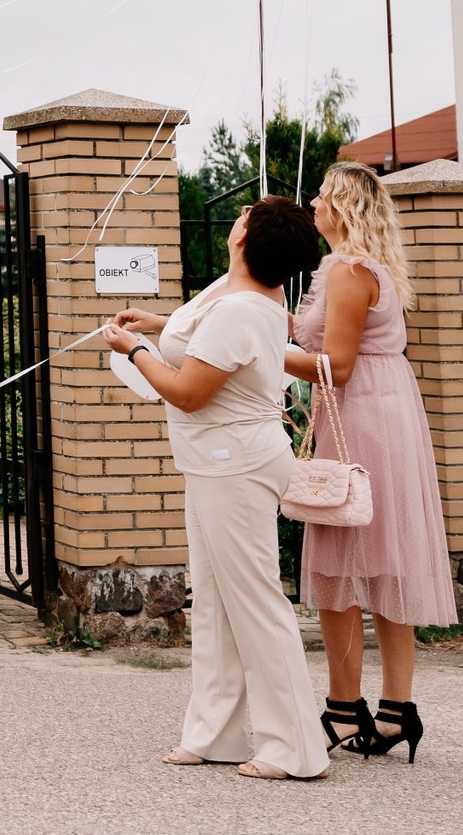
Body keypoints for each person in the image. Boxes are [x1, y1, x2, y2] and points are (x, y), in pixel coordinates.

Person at [103, 197, 330, 780]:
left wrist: (136, 351)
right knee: (213, 603)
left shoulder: (244, 307)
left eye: (247, 216)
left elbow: (187, 392)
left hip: (237, 464)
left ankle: (294, 748)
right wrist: (157, 324)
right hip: (211, 463)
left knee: (254, 601)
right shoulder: (234, 291)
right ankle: (216, 734)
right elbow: (201, 327)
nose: (237, 219)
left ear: (247, 238)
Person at [284, 161, 454, 762]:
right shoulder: (344, 268)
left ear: (346, 208)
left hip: (362, 415)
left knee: (346, 559)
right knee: (381, 561)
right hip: (377, 411)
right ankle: (393, 711)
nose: (314, 201)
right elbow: (303, 332)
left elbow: (336, 365)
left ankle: (343, 706)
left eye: (324, 194)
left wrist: (257, 353)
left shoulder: (351, 272)